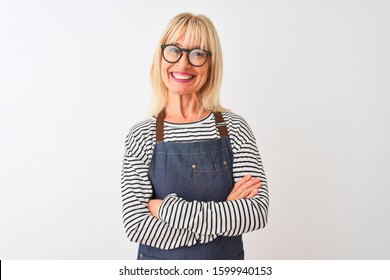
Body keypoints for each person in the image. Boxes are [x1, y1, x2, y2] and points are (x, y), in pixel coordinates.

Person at [121, 13, 269, 260]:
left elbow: (255, 213)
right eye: (174, 50)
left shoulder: (235, 128)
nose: (182, 64)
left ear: (211, 64)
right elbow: (137, 225)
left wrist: (166, 208)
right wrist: (223, 217)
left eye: (197, 53)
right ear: (161, 57)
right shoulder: (141, 135)